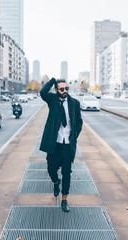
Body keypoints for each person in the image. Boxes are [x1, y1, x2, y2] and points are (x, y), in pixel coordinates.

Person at [40, 78, 83, 212]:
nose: (65, 91)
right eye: (62, 89)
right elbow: (42, 92)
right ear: (57, 90)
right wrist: (52, 80)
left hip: (68, 145)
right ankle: (56, 182)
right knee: (51, 169)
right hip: (55, 144)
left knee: (67, 173)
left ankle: (64, 200)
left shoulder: (74, 103)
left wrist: (74, 135)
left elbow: (79, 122)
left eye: (66, 89)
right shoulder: (52, 100)